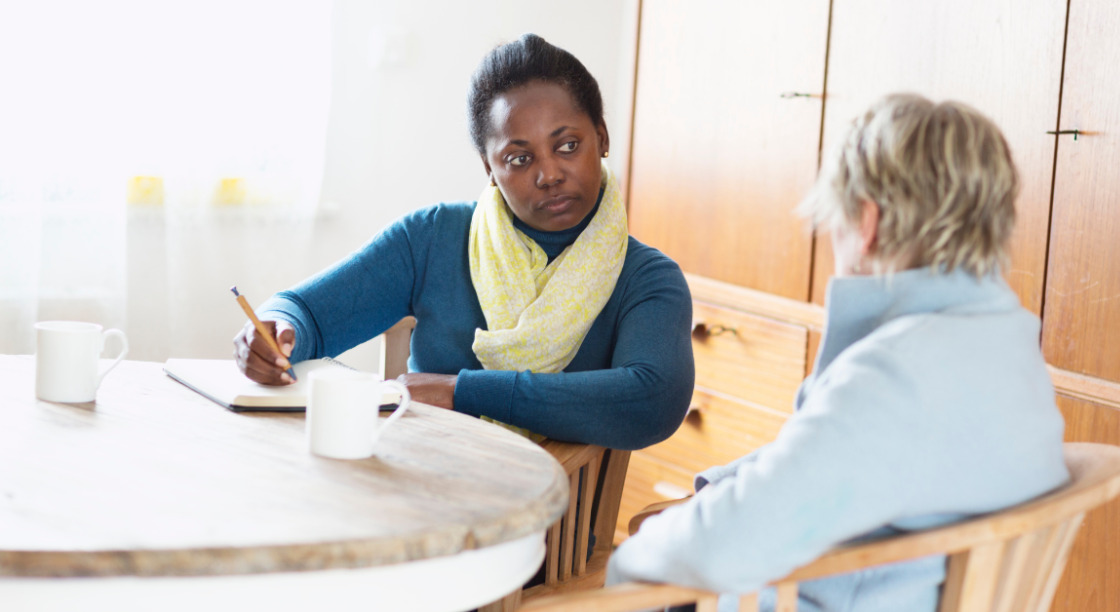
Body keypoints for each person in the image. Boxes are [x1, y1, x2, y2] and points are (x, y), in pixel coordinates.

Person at [605, 94, 1070, 612]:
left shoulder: (896, 374)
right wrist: (717, 490)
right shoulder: (1006, 340)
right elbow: (824, 456)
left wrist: (627, 565)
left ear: (866, 224)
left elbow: (730, 546)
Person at [232, 34, 694, 450]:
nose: (549, 173)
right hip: (416, 497)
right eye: (519, 157)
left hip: (551, 530)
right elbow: (309, 312)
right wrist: (274, 330)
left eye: (568, 145)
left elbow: (652, 400)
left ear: (602, 137)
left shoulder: (648, 280)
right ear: (489, 169)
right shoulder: (434, 236)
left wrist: (460, 392)